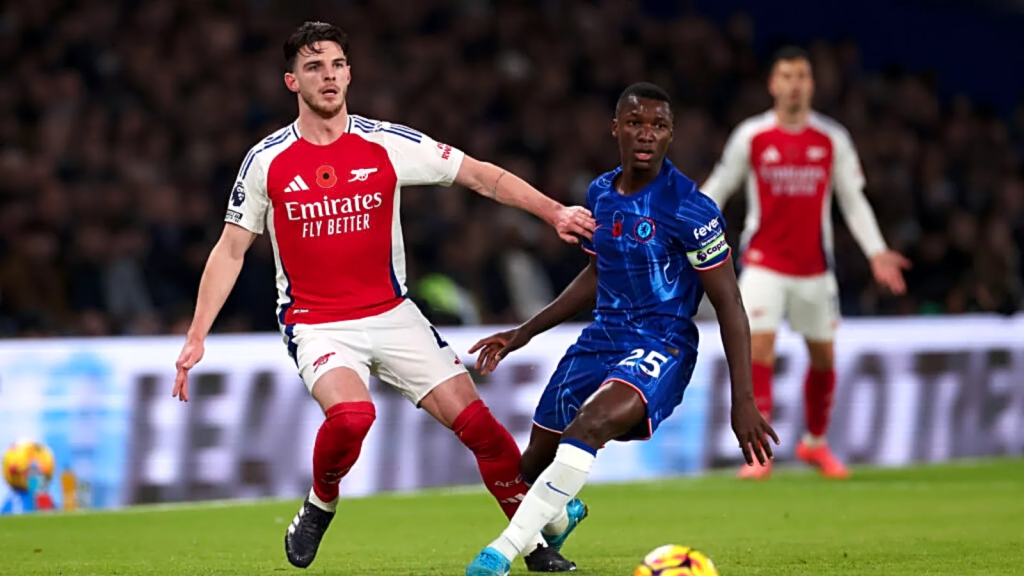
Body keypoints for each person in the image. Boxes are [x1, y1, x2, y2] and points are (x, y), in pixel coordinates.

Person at [171, 22, 595, 572]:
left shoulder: (386, 143)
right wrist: (197, 335)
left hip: (394, 314)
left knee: (486, 433)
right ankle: (322, 501)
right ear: (291, 81)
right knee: (352, 417)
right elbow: (231, 249)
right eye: (313, 67)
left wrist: (555, 212)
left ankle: (534, 547)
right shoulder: (267, 160)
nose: (328, 76)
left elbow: (480, 176)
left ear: (350, 73)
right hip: (317, 322)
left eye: (336, 65)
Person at [464, 82, 779, 576]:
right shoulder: (600, 194)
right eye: (635, 123)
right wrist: (523, 333)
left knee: (589, 425)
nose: (646, 134)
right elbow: (597, 274)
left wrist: (743, 400)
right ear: (616, 129)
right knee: (531, 467)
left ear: (671, 134)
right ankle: (557, 517)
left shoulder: (690, 208)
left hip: (663, 344)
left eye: (658, 125)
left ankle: (497, 555)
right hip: (601, 339)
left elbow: (730, 304)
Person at [699, 46, 911, 480]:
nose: (794, 85)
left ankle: (814, 443)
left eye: (801, 76)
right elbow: (720, 186)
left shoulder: (832, 139)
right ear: (772, 84)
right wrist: (687, 228)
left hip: (814, 267)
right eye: (786, 76)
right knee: (758, 347)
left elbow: (853, 200)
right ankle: (759, 454)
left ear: (812, 85)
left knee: (824, 358)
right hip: (763, 262)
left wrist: (876, 251)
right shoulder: (752, 135)